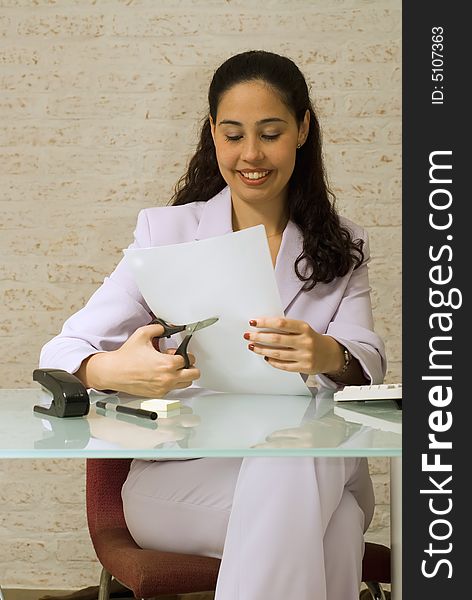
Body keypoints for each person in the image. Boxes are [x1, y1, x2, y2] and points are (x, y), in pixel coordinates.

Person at [40, 50, 386, 599]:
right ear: (212, 135)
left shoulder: (342, 245)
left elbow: (368, 357)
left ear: (302, 129)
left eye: (270, 133)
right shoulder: (167, 233)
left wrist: (331, 355)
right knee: (338, 524)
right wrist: (114, 367)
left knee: (301, 457)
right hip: (185, 479)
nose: (251, 154)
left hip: (312, 462)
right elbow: (61, 350)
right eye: (233, 135)